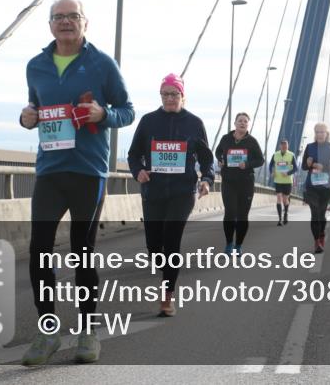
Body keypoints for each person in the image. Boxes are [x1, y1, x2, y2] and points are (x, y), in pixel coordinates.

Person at [18, 0, 134, 365]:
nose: (65, 22)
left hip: (88, 171)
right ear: (50, 24)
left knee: (82, 252)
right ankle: (48, 331)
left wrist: (104, 114)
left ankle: (87, 331)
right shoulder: (36, 66)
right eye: (58, 17)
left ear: (85, 22)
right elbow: (34, 109)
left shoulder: (102, 64)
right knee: (39, 250)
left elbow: (127, 111)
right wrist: (26, 118)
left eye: (73, 16)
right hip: (50, 171)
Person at [127, 74, 212, 316]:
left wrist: (206, 179)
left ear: (183, 96)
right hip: (153, 192)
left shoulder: (194, 123)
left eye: (174, 94)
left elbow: (206, 159)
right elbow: (133, 155)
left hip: (182, 193)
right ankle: (162, 267)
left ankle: (167, 297)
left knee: (172, 242)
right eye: (165, 94)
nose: (169, 98)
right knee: (154, 247)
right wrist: (138, 171)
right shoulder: (148, 121)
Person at [215, 112, 265, 254]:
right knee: (230, 213)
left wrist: (247, 164)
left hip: (246, 183)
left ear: (248, 125)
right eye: (240, 121)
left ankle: (238, 245)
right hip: (228, 182)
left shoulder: (252, 141)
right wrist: (220, 159)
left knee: (242, 216)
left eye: (245, 121)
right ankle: (229, 244)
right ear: (235, 123)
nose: (242, 123)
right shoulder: (226, 138)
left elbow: (260, 160)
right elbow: (218, 152)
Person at [302, 122, 330, 253]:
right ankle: (317, 242)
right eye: (317, 132)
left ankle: (321, 234)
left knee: (321, 214)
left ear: (326, 133)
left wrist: (324, 167)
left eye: (322, 132)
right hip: (311, 186)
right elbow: (303, 167)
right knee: (315, 213)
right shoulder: (309, 147)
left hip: (326, 187)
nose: (319, 134)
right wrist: (310, 165)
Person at [269, 139, 297, 226]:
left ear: (287, 146)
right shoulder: (275, 155)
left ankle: (286, 214)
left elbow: (295, 168)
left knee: (285, 200)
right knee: (279, 198)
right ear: (280, 146)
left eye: (286, 146)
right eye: (283, 146)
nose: (284, 147)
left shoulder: (291, 155)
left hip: (288, 181)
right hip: (278, 181)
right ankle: (280, 219)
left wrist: (288, 173)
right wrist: (271, 172)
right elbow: (270, 165)